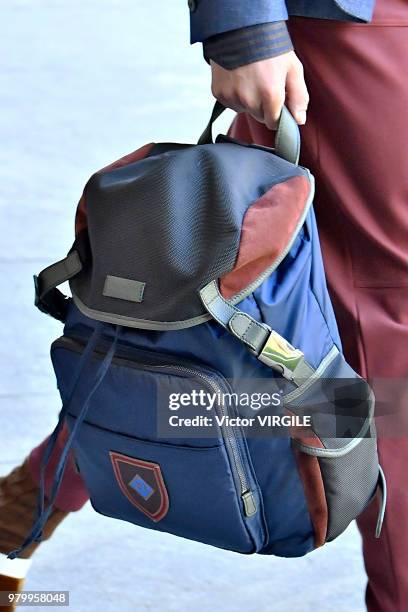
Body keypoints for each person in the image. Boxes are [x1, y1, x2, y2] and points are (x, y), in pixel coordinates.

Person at [1, 1, 406, 611]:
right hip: (356, 24)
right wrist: (245, 26)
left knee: (275, 324)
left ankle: (30, 498)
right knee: (377, 327)